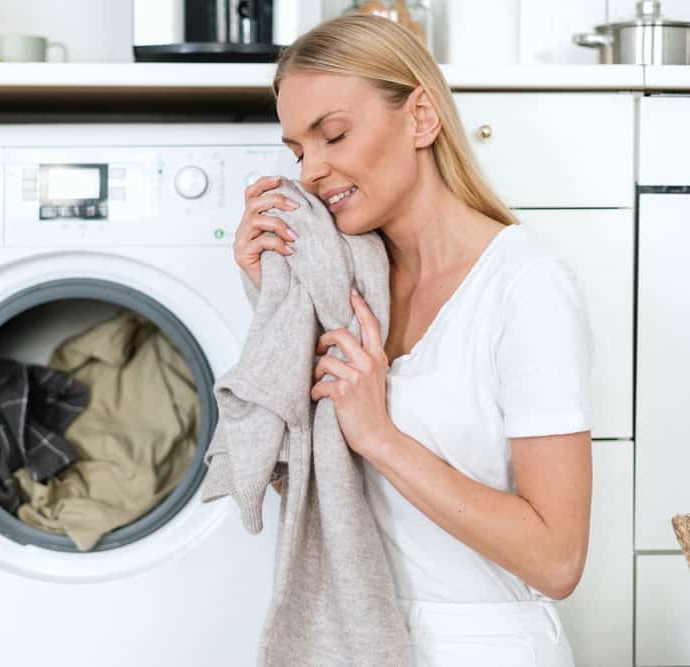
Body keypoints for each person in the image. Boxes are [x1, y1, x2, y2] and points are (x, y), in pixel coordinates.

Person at [232, 13, 592, 666]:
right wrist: (273, 303)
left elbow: (558, 558)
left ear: (421, 118)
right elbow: (313, 489)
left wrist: (382, 437)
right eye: (296, 151)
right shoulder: (345, 284)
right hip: (359, 636)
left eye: (334, 134)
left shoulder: (524, 284)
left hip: (486, 647)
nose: (312, 171)